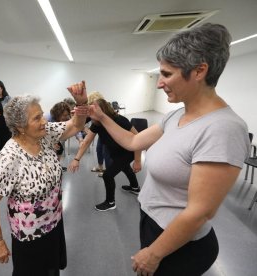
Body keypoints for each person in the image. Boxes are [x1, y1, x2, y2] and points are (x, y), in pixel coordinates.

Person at [88, 23, 250, 275]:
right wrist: (101, 116)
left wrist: (154, 253)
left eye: (166, 74)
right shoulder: (176, 116)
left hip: (179, 244)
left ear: (199, 71)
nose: (159, 83)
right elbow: (133, 142)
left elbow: (200, 212)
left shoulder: (223, 129)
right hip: (153, 223)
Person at [0, 81, 88, 276]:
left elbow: (76, 125)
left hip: (53, 222)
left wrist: (81, 103)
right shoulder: (10, 156)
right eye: (37, 118)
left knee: (52, 270)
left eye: (42, 115)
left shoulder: (45, 135)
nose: (44, 121)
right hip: (30, 236)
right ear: (20, 126)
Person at [69, 98, 141, 211]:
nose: (91, 117)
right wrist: (76, 159)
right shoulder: (97, 123)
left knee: (108, 175)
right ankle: (135, 187)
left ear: (102, 112)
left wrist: (137, 161)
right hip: (116, 152)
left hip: (128, 152)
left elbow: (138, 139)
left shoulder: (120, 120)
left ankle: (110, 202)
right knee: (125, 168)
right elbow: (87, 141)